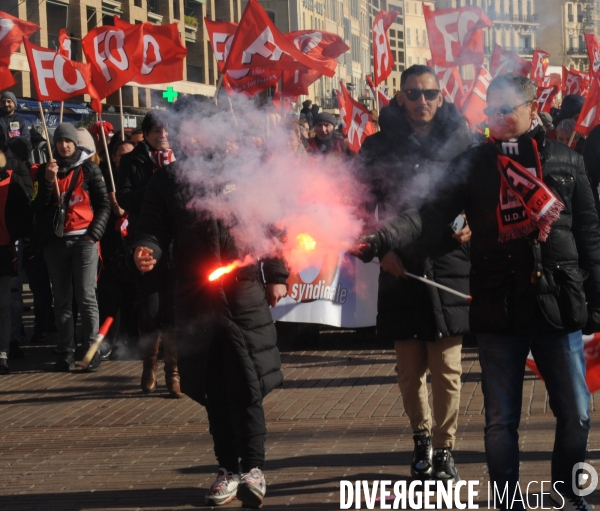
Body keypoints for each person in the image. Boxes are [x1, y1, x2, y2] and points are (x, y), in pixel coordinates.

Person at [353, 73, 600, 511]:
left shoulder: (565, 160)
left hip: (557, 306)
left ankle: (567, 492)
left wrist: (596, 303)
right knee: (500, 420)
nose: (497, 118)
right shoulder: (474, 164)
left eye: (507, 109)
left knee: (578, 412)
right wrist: (381, 239)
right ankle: (507, 500)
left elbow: (589, 235)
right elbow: (427, 216)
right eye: (491, 111)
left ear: (531, 108)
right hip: (498, 306)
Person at [131, 124, 288, 508]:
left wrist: (278, 276)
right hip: (194, 294)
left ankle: (253, 468)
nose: (194, 140)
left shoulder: (244, 175)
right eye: (186, 134)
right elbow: (150, 227)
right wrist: (146, 249)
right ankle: (227, 469)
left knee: (248, 382)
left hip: (243, 292)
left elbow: (272, 226)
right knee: (212, 386)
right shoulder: (167, 180)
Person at [357, 65, 472, 482]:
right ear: (400, 96)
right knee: (409, 372)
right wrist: (380, 253)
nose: (421, 101)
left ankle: (445, 448)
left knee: (448, 370)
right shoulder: (376, 147)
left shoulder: (465, 142)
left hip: (447, 265)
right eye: (412, 93)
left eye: (428, 93)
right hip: (400, 266)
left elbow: (481, 198)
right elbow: (354, 206)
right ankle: (421, 438)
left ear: (441, 97)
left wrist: (472, 226)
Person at [31, 123, 110, 372]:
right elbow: (37, 207)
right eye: (59, 141)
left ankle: (91, 350)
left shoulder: (90, 168)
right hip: (56, 242)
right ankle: (65, 351)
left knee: (86, 297)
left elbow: (103, 205)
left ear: (76, 143)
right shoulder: (46, 170)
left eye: (68, 141)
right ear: (53, 144)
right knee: (62, 299)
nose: (64, 146)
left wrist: (93, 235)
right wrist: (46, 181)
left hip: (83, 240)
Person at [117, 110, 182, 398]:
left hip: (178, 245)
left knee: (174, 311)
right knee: (149, 310)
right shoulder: (134, 160)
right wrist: (157, 188)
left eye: (167, 130)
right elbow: (125, 197)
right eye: (157, 130)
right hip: (146, 242)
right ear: (147, 133)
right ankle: (149, 366)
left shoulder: (183, 159)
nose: (163, 135)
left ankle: (174, 372)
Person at [0, 144, 34, 373]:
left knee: (3, 305)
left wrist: (13, 233)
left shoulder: (11, 179)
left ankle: (2, 352)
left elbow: (25, 211)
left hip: (3, 249)